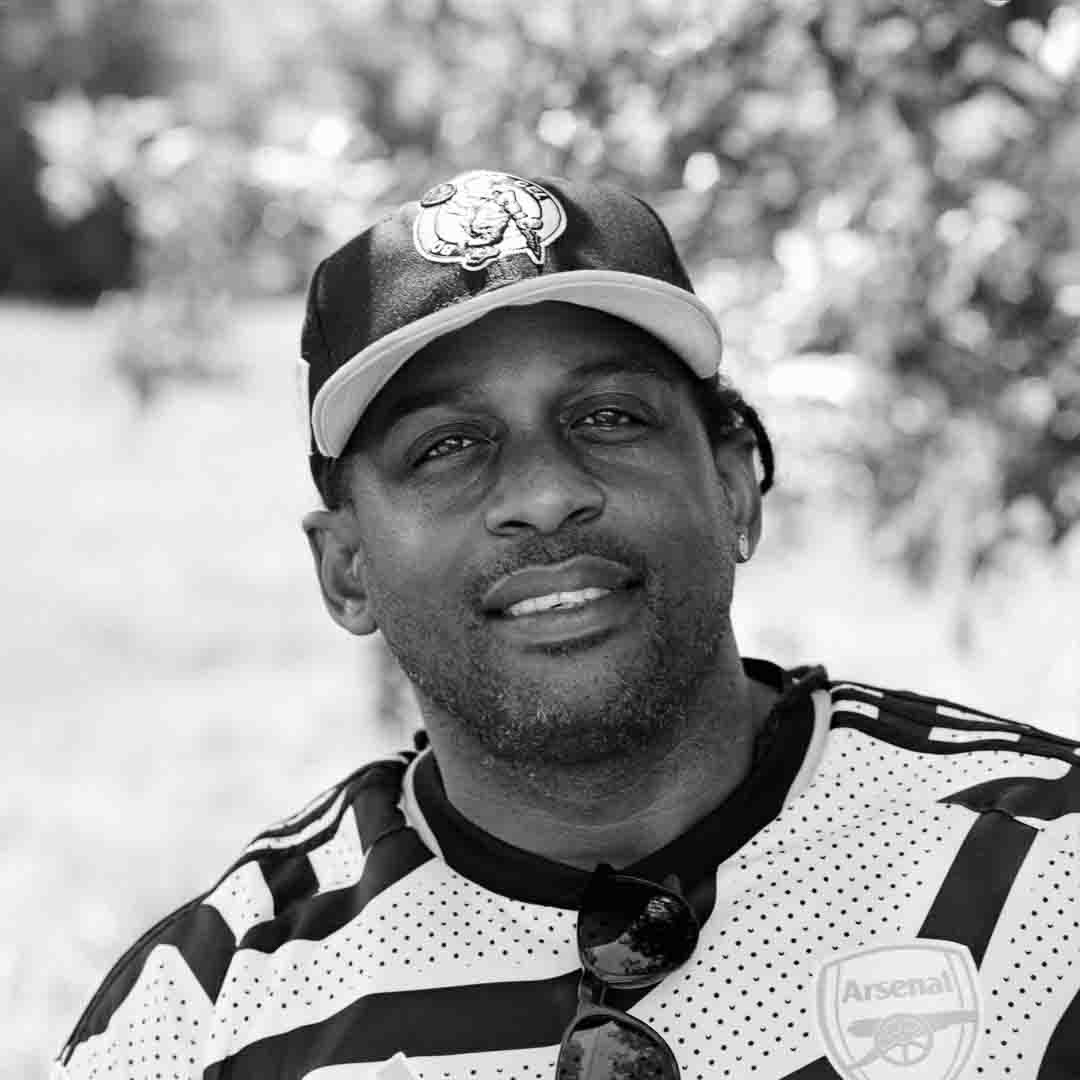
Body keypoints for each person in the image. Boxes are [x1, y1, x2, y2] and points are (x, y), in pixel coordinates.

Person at [56, 170, 1079, 1080]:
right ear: (347, 569)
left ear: (733, 488)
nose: (544, 494)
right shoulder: (203, 1017)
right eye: (447, 445)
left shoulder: (1042, 874)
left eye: (609, 417)